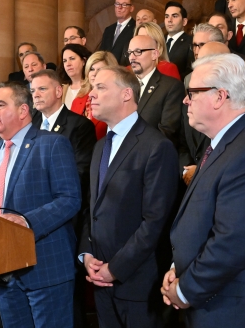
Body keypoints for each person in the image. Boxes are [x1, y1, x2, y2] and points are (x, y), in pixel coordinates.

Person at [162, 53, 245, 327]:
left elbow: (231, 244)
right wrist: (178, 269)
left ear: (220, 97)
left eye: (192, 93)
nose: (186, 100)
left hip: (238, 310)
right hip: (214, 301)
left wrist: (185, 289)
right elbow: (200, 223)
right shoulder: (223, 145)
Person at [80, 65, 179, 328]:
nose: (92, 94)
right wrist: (87, 254)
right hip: (100, 280)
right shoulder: (101, 146)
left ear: (126, 94)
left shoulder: (157, 147)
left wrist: (115, 269)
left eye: (101, 87)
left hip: (138, 287)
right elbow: (92, 208)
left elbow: (155, 222)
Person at [0, 82, 81, 328]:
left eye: (1, 105)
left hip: (44, 268)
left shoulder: (52, 144)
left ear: (23, 111)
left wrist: (26, 221)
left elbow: (70, 199)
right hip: (3, 272)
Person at [30, 69, 96, 206]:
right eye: (32, 91)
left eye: (42, 89)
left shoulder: (80, 126)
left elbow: (81, 172)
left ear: (58, 92)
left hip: (62, 203)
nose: (36, 95)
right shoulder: (29, 123)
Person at [178, 42, 227, 185]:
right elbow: (182, 144)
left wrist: (199, 170)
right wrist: (187, 170)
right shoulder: (190, 101)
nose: (186, 100)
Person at [127, 35, 185, 148]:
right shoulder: (124, 86)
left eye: (138, 52)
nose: (132, 57)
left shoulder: (171, 87)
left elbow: (168, 131)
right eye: (130, 52)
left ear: (155, 54)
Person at [84, 51, 119, 139]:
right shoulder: (78, 100)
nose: (94, 73)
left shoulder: (116, 101)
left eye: (100, 69)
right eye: (91, 69)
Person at [100, 0, 136, 66]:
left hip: (125, 72)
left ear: (131, 8)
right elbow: (101, 53)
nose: (119, 7)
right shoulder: (108, 30)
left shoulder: (136, 27)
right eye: (117, 4)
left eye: (124, 4)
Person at [185, 23, 226, 87]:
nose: (196, 51)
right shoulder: (188, 80)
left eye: (202, 45)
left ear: (217, 47)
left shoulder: (233, 76)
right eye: (195, 45)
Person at [58, 44, 93, 114]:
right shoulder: (62, 89)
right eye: (64, 61)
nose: (68, 64)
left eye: (72, 58)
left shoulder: (92, 86)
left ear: (84, 61)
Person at [164, 1, 194, 78]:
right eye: (167, 16)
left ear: (184, 22)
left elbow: (190, 71)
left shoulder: (191, 42)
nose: (169, 20)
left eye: (174, 16)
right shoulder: (158, 41)